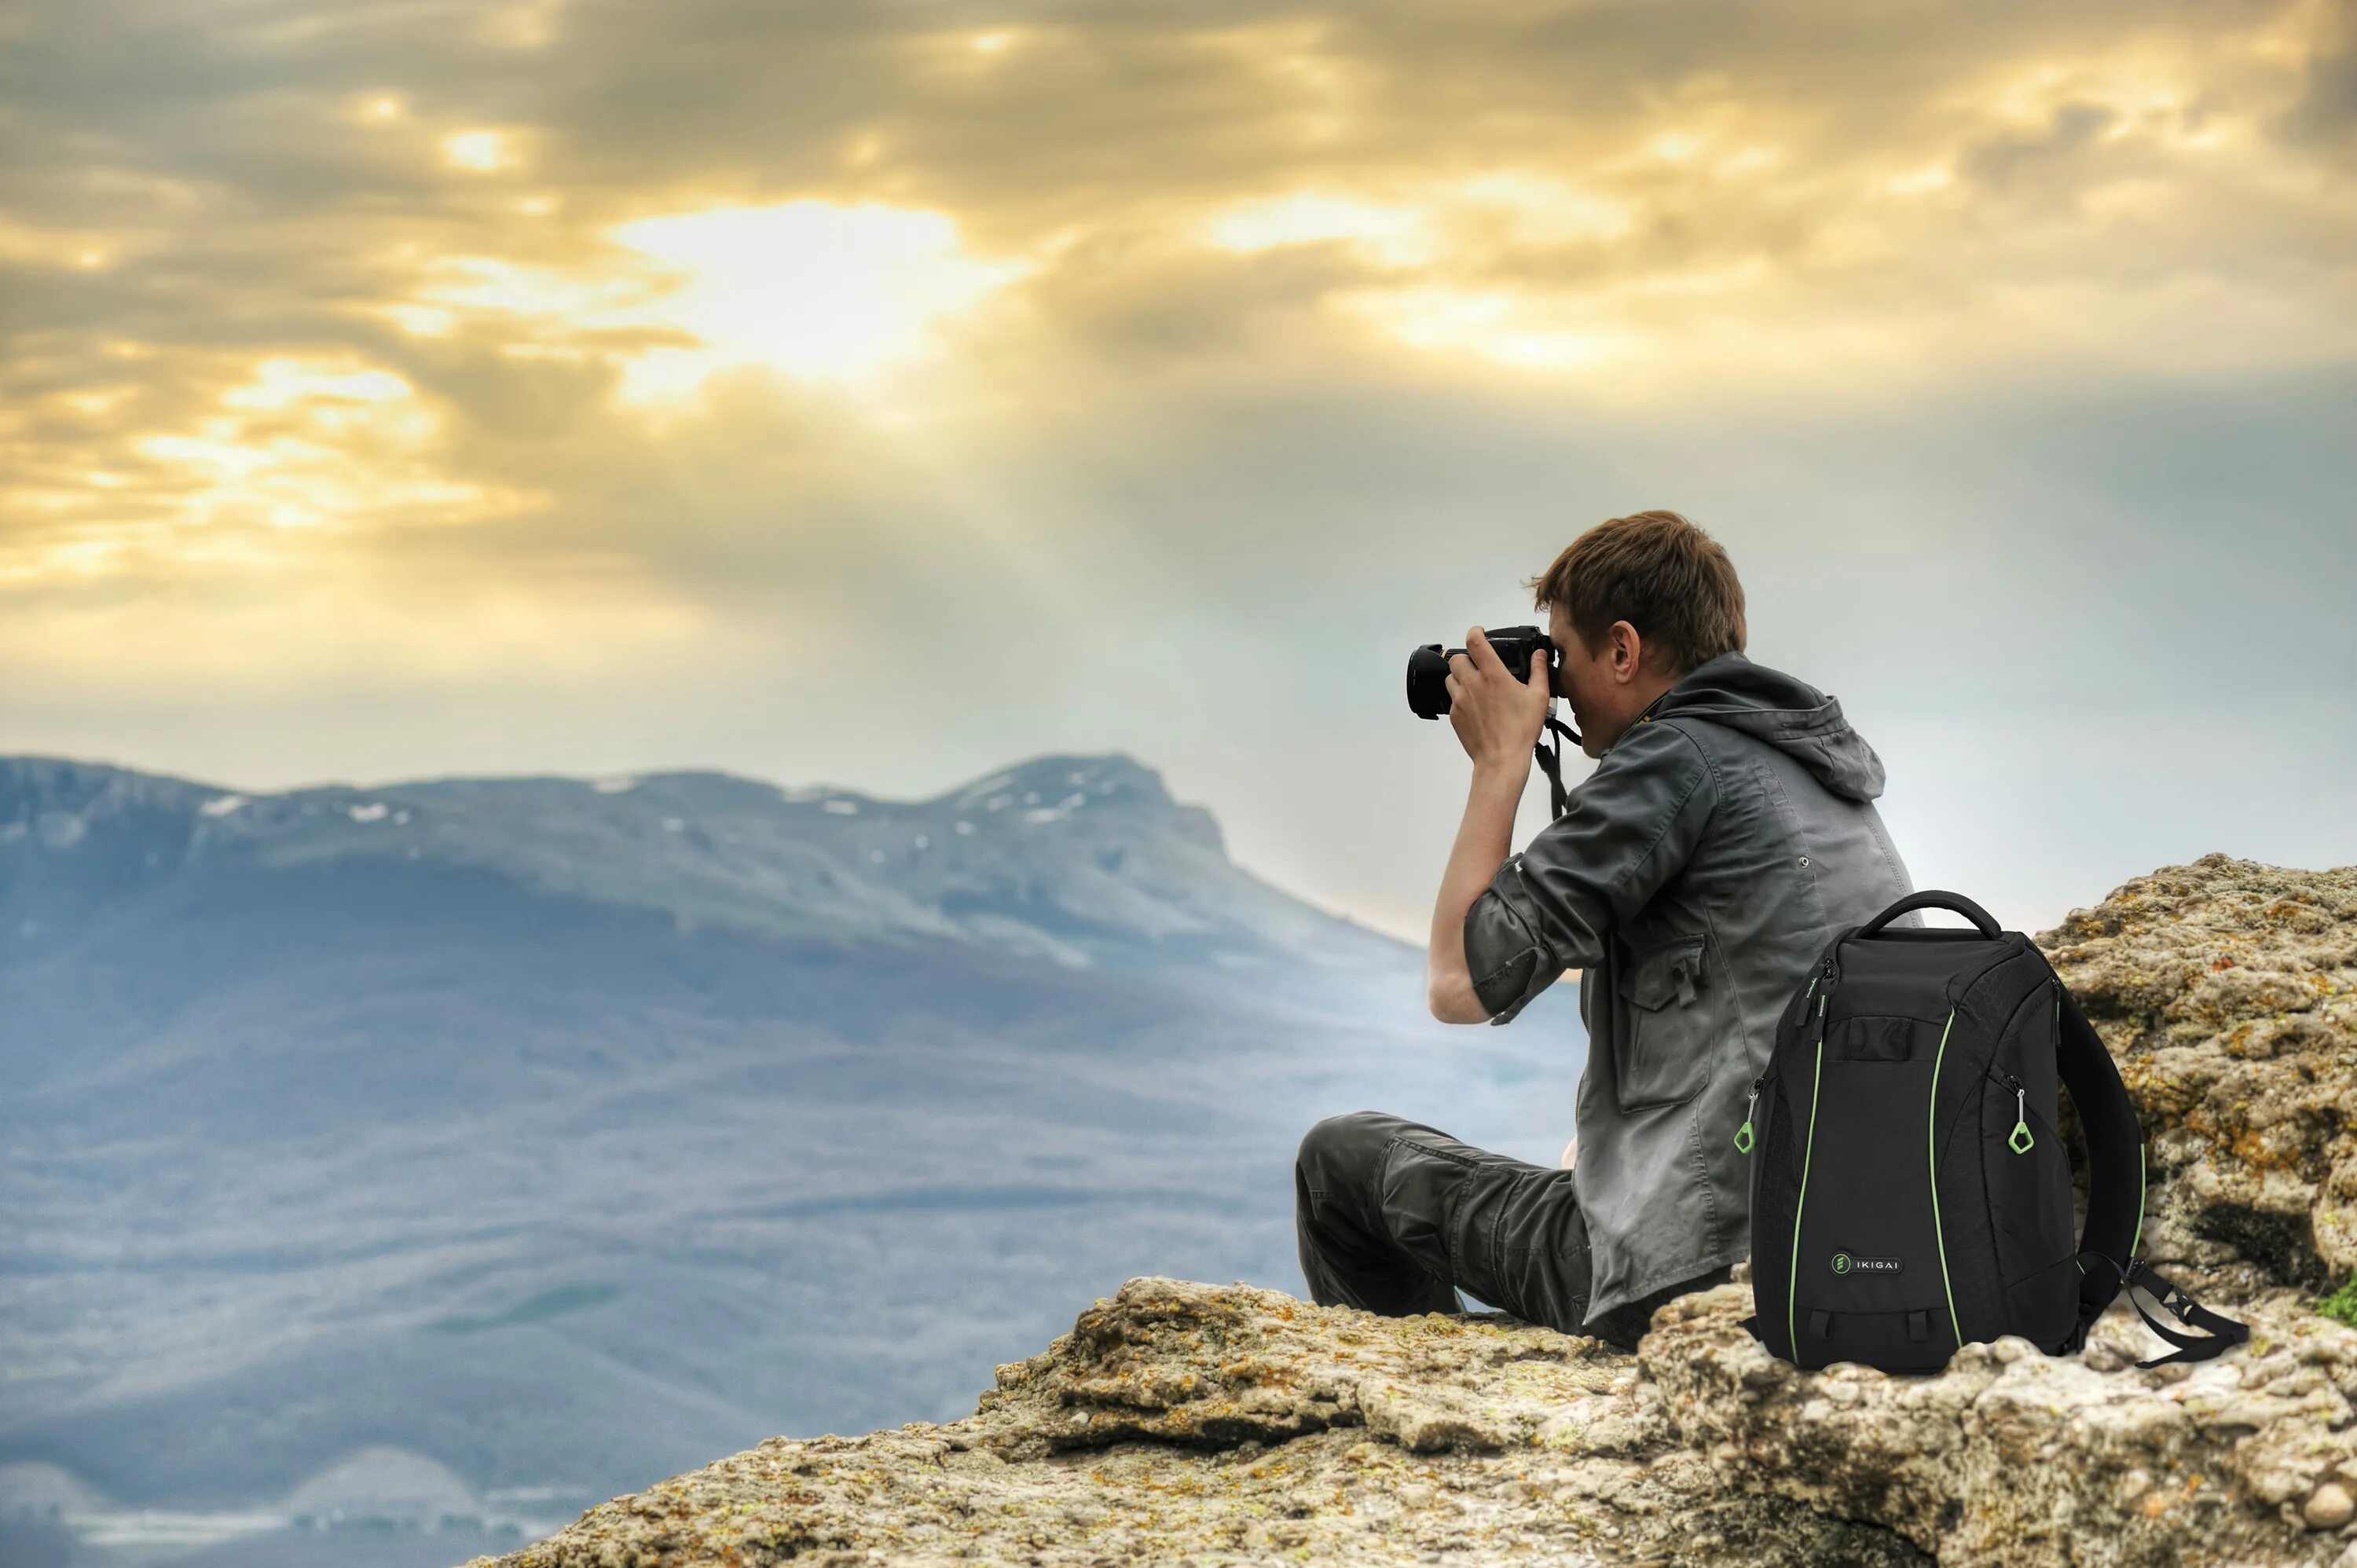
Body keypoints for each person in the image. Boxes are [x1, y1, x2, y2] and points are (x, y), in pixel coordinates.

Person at [1294, 510, 1921, 1350]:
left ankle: (1431, 1402)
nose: (1549, 685)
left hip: (1700, 1267)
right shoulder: (1813, 768)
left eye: (1563, 656)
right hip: (1842, 1244)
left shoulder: (1673, 764)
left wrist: (1499, 765)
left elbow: (1457, 983)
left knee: (1341, 1163)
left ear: (1623, 653)